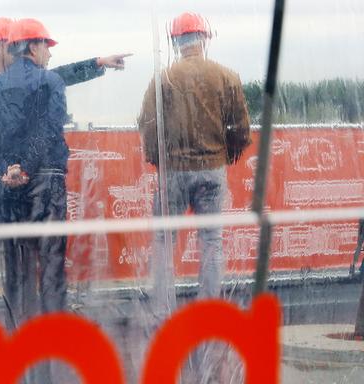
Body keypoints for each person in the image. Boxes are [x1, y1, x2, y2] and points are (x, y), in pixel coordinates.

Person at [0, 18, 129, 325]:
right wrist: (26, 168)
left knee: (14, 262)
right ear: (33, 47)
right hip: (44, 183)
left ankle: (16, 330)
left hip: (7, 189)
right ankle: (50, 331)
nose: (50, 54)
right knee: (50, 260)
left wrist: (7, 171)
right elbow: (49, 131)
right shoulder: (47, 82)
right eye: (47, 46)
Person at [137, 13, 251, 381]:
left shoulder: (164, 78)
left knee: (164, 239)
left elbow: (149, 124)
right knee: (212, 241)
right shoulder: (225, 76)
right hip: (212, 168)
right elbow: (240, 126)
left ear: (174, 42)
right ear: (204, 38)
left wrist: (160, 159)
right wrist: (229, 153)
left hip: (175, 170)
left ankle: (162, 309)